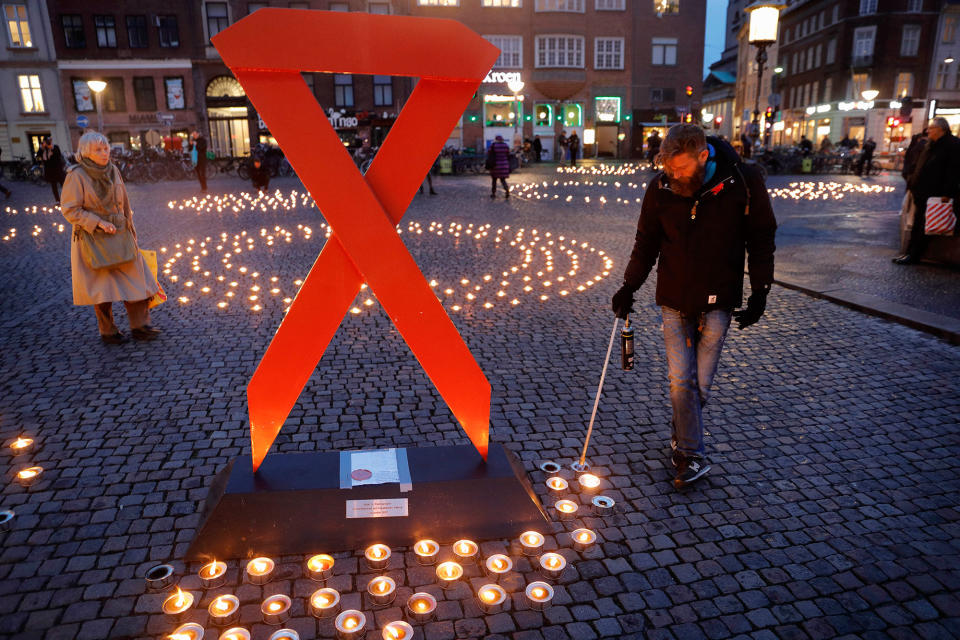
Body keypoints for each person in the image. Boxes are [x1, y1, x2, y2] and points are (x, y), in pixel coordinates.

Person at [611, 124, 777, 490]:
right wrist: (629, 286)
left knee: (699, 385)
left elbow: (762, 238)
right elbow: (646, 242)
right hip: (673, 298)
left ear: (704, 156)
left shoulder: (742, 182)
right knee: (680, 381)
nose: (674, 175)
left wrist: (760, 290)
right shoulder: (660, 188)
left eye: (681, 169)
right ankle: (691, 454)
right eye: (669, 168)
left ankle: (682, 438)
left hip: (719, 298)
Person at [60, 131, 161, 344]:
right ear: (86, 152)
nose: (105, 152)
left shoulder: (114, 170)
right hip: (92, 239)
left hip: (120, 235)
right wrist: (97, 222)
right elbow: (70, 209)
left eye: (106, 148)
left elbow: (125, 204)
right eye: (98, 149)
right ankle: (108, 331)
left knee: (137, 280)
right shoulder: (76, 175)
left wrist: (131, 231)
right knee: (101, 289)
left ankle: (140, 326)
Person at [895, 117, 960, 265]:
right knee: (918, 222)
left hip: (936, 193)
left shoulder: (953, 145)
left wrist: (946, 193)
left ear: (941, 129)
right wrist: (912, 182)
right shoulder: (930, 144)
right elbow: (919, 164)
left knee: (925, 225)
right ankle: (909, 253)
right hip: (921, 191)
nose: (928, 131)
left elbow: (953, 171)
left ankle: (915, 255)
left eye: (931, 128)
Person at [37, 136, 67, 204]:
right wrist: (42, 148)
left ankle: (68, 198)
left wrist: (51, 148)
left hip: (57, 169)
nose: (47, 144)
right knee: (54, 186)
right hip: (49, 170)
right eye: (46, 142)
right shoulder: (43, 149)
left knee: (63, 185)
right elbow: (38, 155)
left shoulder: (55, 147)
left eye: (48, 142)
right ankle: (57, 200)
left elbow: (58, 154)